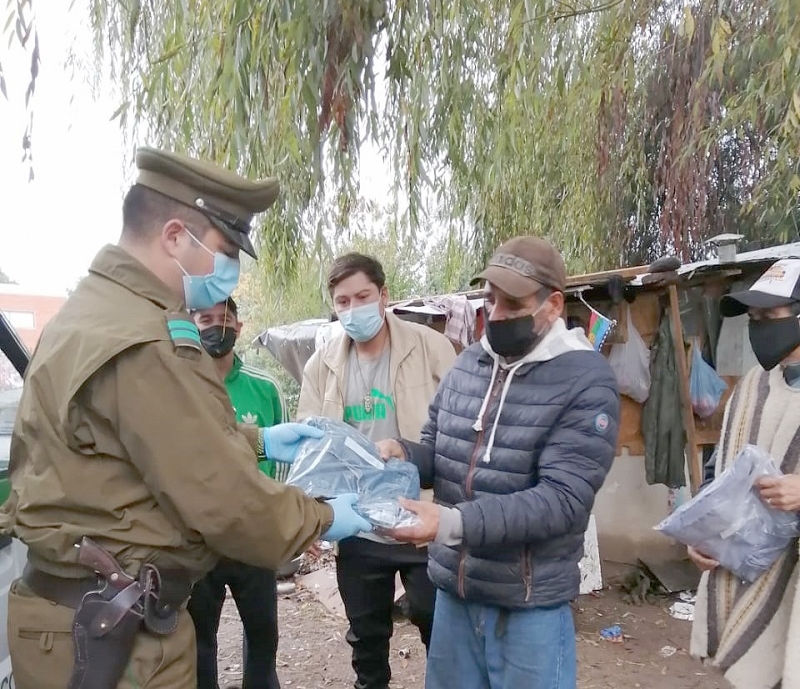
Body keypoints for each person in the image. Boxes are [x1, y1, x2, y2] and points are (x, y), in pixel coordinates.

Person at [0, 147, 372, 689]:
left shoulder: (91, 313)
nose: (231, 273)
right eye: (225, 251)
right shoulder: (143, 338)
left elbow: (133, 443)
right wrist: (319, 517)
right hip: (114, 637)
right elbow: (224, 500)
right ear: (175, 237)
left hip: (84, 619)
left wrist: (260, 439)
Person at [378, 236, 620, 689]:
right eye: (490, 299)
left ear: (551, 304)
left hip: (528, 606)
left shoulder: (586, 381)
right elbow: (440, 450)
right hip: (455, 594)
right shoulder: (469, 364)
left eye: (512, 302)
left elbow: (561, 501)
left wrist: (450, 522)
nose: (497, 313)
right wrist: (406, 453)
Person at [297, 252, 456, 689]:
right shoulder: (322, 365)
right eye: (342, 301)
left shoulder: (431, 348)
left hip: (421, 516)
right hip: (358, 522)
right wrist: (310, 515)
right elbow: (310, 451)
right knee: (366, 637)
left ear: (384, 295)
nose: (353, 309)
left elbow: (463, 434)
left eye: (363, 296)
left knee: (435, 625)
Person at [690, 258, 800, 689]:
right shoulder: (753, 386)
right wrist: (702, 533)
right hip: (750, 575)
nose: (760, 329)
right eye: (753, 319)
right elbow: (721, 472)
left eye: (770, 317)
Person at [188, 297, 286, 689]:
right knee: (198, 645)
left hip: (254, 538)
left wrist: (279, 523)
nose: (215, 327)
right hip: (200, 541)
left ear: (239, 328)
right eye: (205, 319)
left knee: (263, 640)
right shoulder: (179, 390)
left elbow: (282, 464)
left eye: (224, 319)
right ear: (191, 325)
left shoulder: (265, 388)